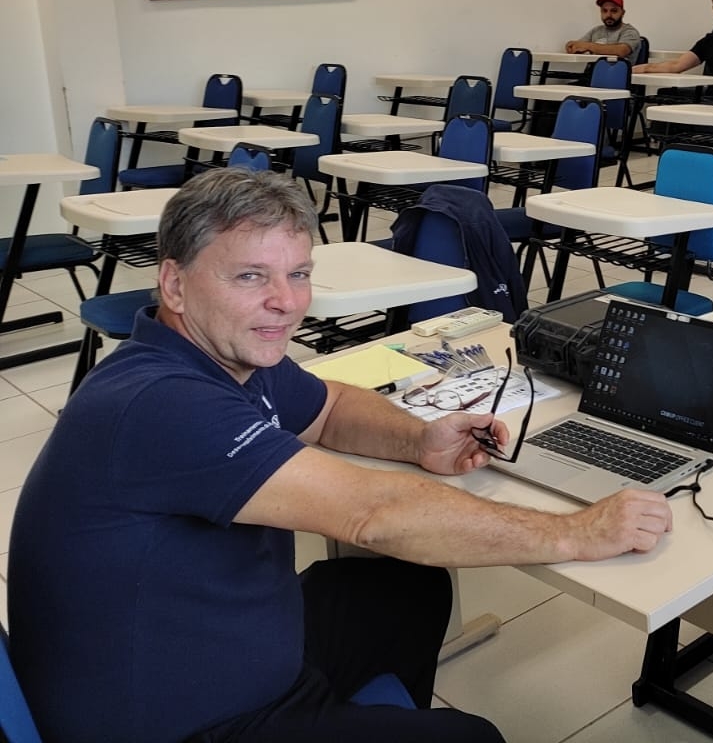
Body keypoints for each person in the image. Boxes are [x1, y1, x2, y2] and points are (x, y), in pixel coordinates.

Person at [8, 169, 671, 743]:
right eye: (250, 276)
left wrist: (418, 440)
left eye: (297, 274)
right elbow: (373, 516)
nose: (285, 302)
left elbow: (327, 407)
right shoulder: (160, 401)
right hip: (182, 721)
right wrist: (578, 532)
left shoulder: (230, 351)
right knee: (474, 736)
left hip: (221, 644)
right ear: (175, 285)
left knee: (404, 588)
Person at [565, 0, 642, 63]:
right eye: (604, 11)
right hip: (592, 70)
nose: (608, 15)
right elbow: (577, 46)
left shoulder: (630, 32)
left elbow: (621, 51)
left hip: (619, 72)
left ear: (622, 12)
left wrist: (588, 46)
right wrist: (571, 46)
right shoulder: (596, 30)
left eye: (614, 11)